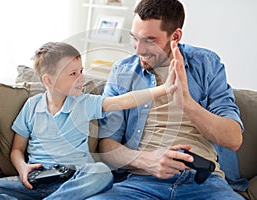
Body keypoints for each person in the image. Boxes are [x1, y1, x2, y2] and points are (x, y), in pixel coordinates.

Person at [0, 42, 177, 200]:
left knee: (100, 172)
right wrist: (23, 168)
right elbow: (17, 149)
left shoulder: (85, 103)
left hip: (74, 180)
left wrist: (163, 89)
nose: (81, 78)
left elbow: (124, 100)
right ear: (48, 80)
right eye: (73, 74)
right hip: (35, 180)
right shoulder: (32, 106)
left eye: (81, 71)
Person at [88, 0, 246, 199]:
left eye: (149, 40)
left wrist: (186, 103)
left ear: (176, 36)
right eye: (134, 38)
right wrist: (147, 160)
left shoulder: (207, 64)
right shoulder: (123, 72)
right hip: (141, 181)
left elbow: (233, 140)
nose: (138, 50)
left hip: (203, 182)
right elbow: (107, 145)